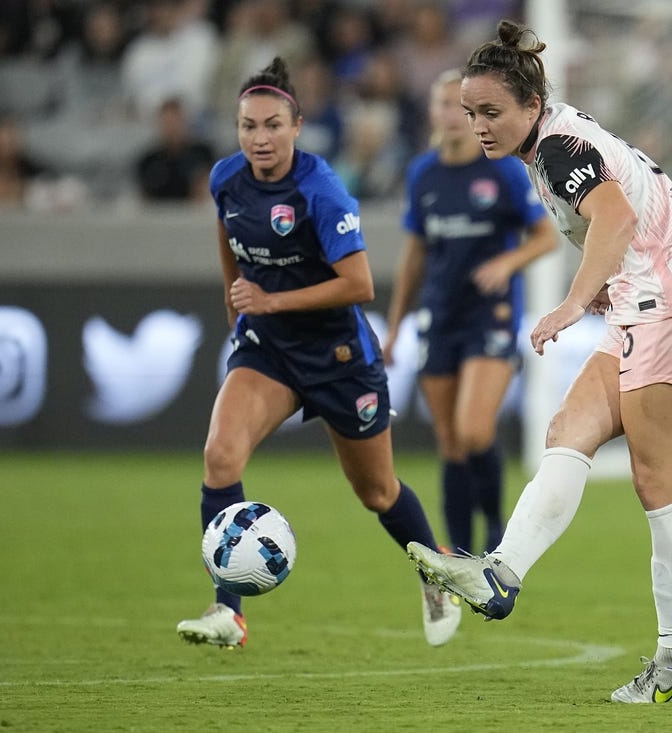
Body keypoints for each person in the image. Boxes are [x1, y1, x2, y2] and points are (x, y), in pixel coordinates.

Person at [407, 20, 672, 704]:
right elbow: (622, 217)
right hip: (650, 302)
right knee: (569, 430)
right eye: (472, 113)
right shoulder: (551, 141)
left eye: (491, 112)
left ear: (531, 104)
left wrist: (569, 301)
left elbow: (614, 220)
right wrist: (601, 292)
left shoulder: (557, 148)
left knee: (660, 480)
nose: (479, 126)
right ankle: (501, 572)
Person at [176, 57, 461, 650]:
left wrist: (270, 301)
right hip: (269, 353)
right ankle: (229, 612)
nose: (260, 138)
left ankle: (436, 571)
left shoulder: (320, 189)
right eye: (249, 126)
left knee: (377, 493)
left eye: (273, 125)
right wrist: (239, 302)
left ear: (297, 126)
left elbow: (360, 285)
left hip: (338, 358)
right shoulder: (226, 178)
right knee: (220, 458)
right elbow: (227, 232)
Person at [382, 68, 557, 556]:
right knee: (451, 442)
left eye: (468, 110)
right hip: (440, 314)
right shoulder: (423, 173)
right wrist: (394, 328)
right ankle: (459, 553)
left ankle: (498, 530)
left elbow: (543, 236)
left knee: (475, 429)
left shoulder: (499, 168)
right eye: (446, 106)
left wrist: (507, 261)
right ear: (433, 113)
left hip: (491, 316)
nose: (457, 118)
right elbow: (414, 254)